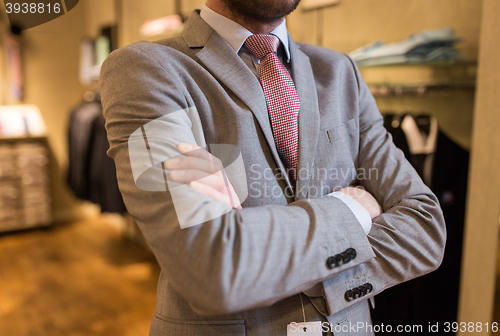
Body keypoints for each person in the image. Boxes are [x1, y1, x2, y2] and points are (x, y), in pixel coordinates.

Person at [100, 0, 446, 335]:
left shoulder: (341, 72)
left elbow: (424, 225)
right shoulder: (144, 70)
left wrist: (265, 253)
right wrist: (354, 208)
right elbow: (209, 265)